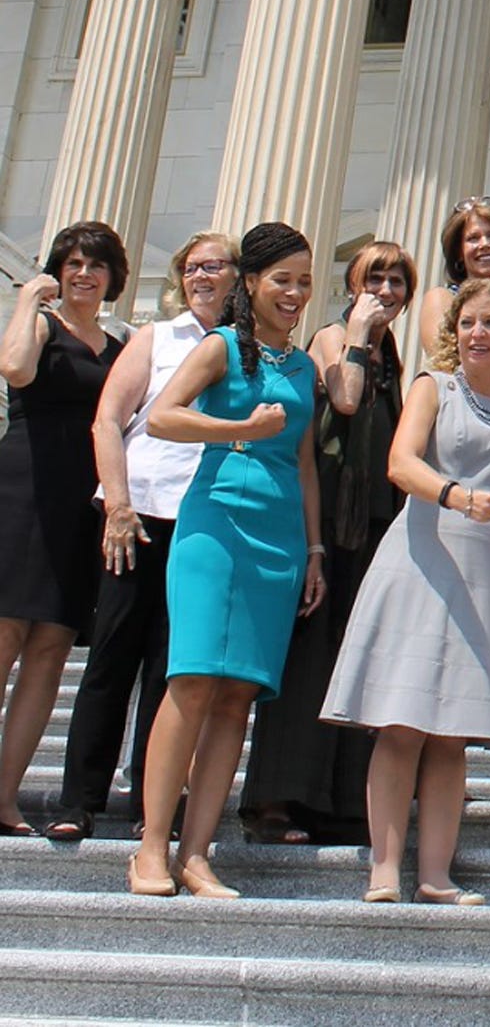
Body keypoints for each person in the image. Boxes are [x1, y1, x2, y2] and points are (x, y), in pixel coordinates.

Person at [320, 277, 490, 905]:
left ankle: (436, 875)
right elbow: (400, 462)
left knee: (451, 734)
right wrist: (458, 495)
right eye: (468, 321)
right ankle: (384, 869)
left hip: (484, 576)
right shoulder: (432, 387)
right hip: (421, 558)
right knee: (402, 723)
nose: (478, 333)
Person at [130, 221, 325, 898]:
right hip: (215, 522)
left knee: (238, 695)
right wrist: (238, 429)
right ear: (251, 283)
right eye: (283, 280)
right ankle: (151, 847)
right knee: (192, 682)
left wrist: (316, 547)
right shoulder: (220, 347)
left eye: (304, 280)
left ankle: (197, 852)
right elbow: (163, 417)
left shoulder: (301, 365)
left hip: (279, 535)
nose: (295, 292)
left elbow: (303, 462)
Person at [48, 232, 235, 841]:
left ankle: (149, 805)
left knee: (170, 667)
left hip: (206, 521)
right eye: (194, 267)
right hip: (142, 513)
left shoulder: (246, 347)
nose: (203, 276)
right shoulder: (155, 339)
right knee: (112, 657)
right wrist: (118, 507)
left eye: (216, 266)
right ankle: (80, 798)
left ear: (238, 277)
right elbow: (108, 419)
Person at [239, 241, 414, 846]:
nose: (386, 291)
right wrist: (360, 331)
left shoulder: (394, 356)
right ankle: (276, 802)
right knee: (310, 660)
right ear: (351, 286)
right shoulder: (331, 337)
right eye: (375, 279)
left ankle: (343, 803)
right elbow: (342, 397)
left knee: (359, 659)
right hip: (325, 523)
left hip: (373, 526)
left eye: (396, 281)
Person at [0, 220, 128, 836]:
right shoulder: (42, 326)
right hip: (23, 489)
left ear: (113, 277)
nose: (84, 273)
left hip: (83, 503)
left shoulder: (120, 345)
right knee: (3, 640)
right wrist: (29, 299)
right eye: (74, 263)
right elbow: (15, 370)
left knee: (50, 650)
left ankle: (5, 796)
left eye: (96, 265)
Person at [417, 196, 490, 357]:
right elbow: (445, 362)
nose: (485, 244)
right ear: (459, 253)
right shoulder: (442, 299)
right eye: (473, 238)